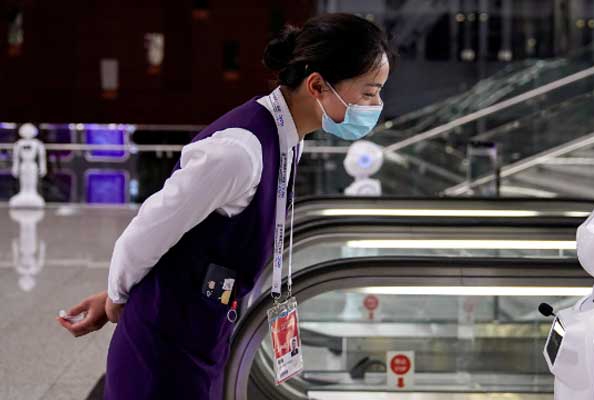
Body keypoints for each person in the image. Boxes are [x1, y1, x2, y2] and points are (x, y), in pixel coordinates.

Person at [56, 13, 393, 399]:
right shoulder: (240, 152)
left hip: (203, 337)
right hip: (163, 353)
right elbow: (144, 232)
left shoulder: (287, 139)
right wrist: (117, 298)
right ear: (317, 84)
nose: (377, 104)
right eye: (369, 92)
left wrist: (123, 293)